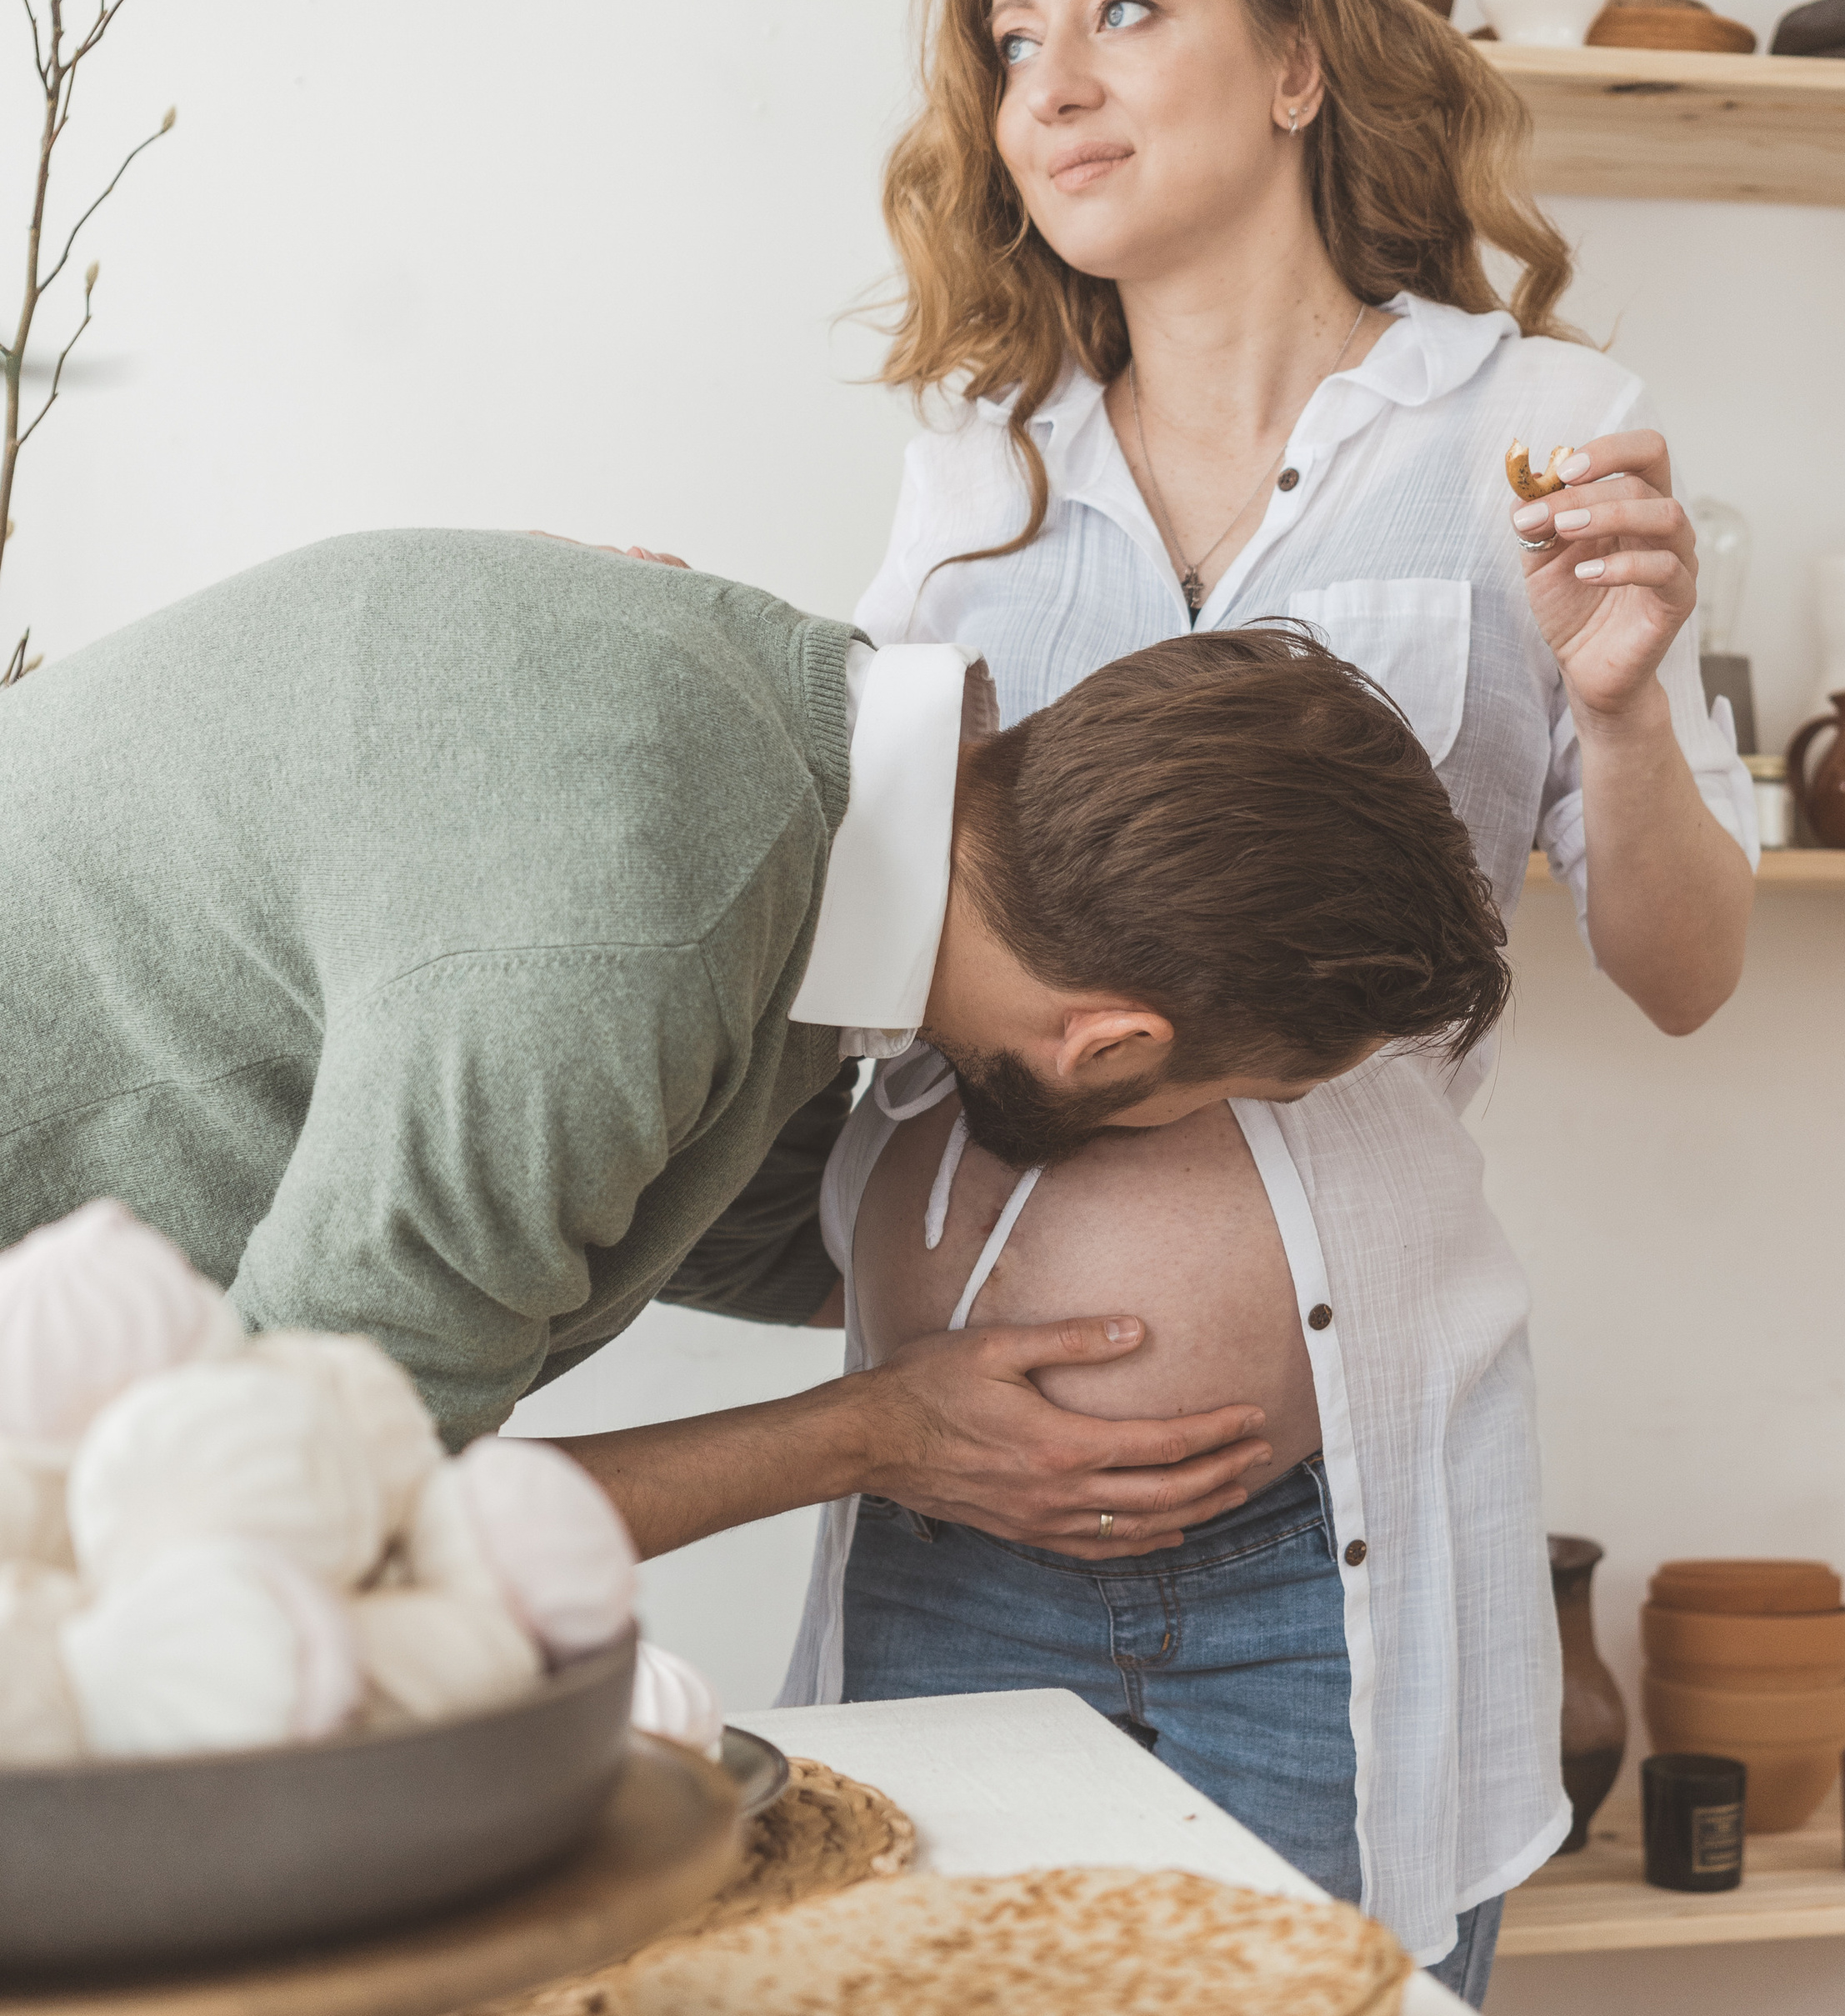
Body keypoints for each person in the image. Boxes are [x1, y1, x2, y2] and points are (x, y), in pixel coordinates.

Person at [776, 0, 1758, 2000]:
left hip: (1335, 1566)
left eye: (1124, 11)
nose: (1057, 87)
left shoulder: (1532, 423)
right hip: (954, 1526)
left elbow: (1686, 975)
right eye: (1015, 43)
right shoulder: (973, 477)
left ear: (1302, 58)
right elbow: (853, 955)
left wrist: (1615, 716)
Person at [0, 524, 1508, 1557]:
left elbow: (659, 1174)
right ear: (1109, 1046)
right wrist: (868, 1436)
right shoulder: (623, 936)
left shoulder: (786, 745)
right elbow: (280, 1515)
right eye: (1220, 1106)